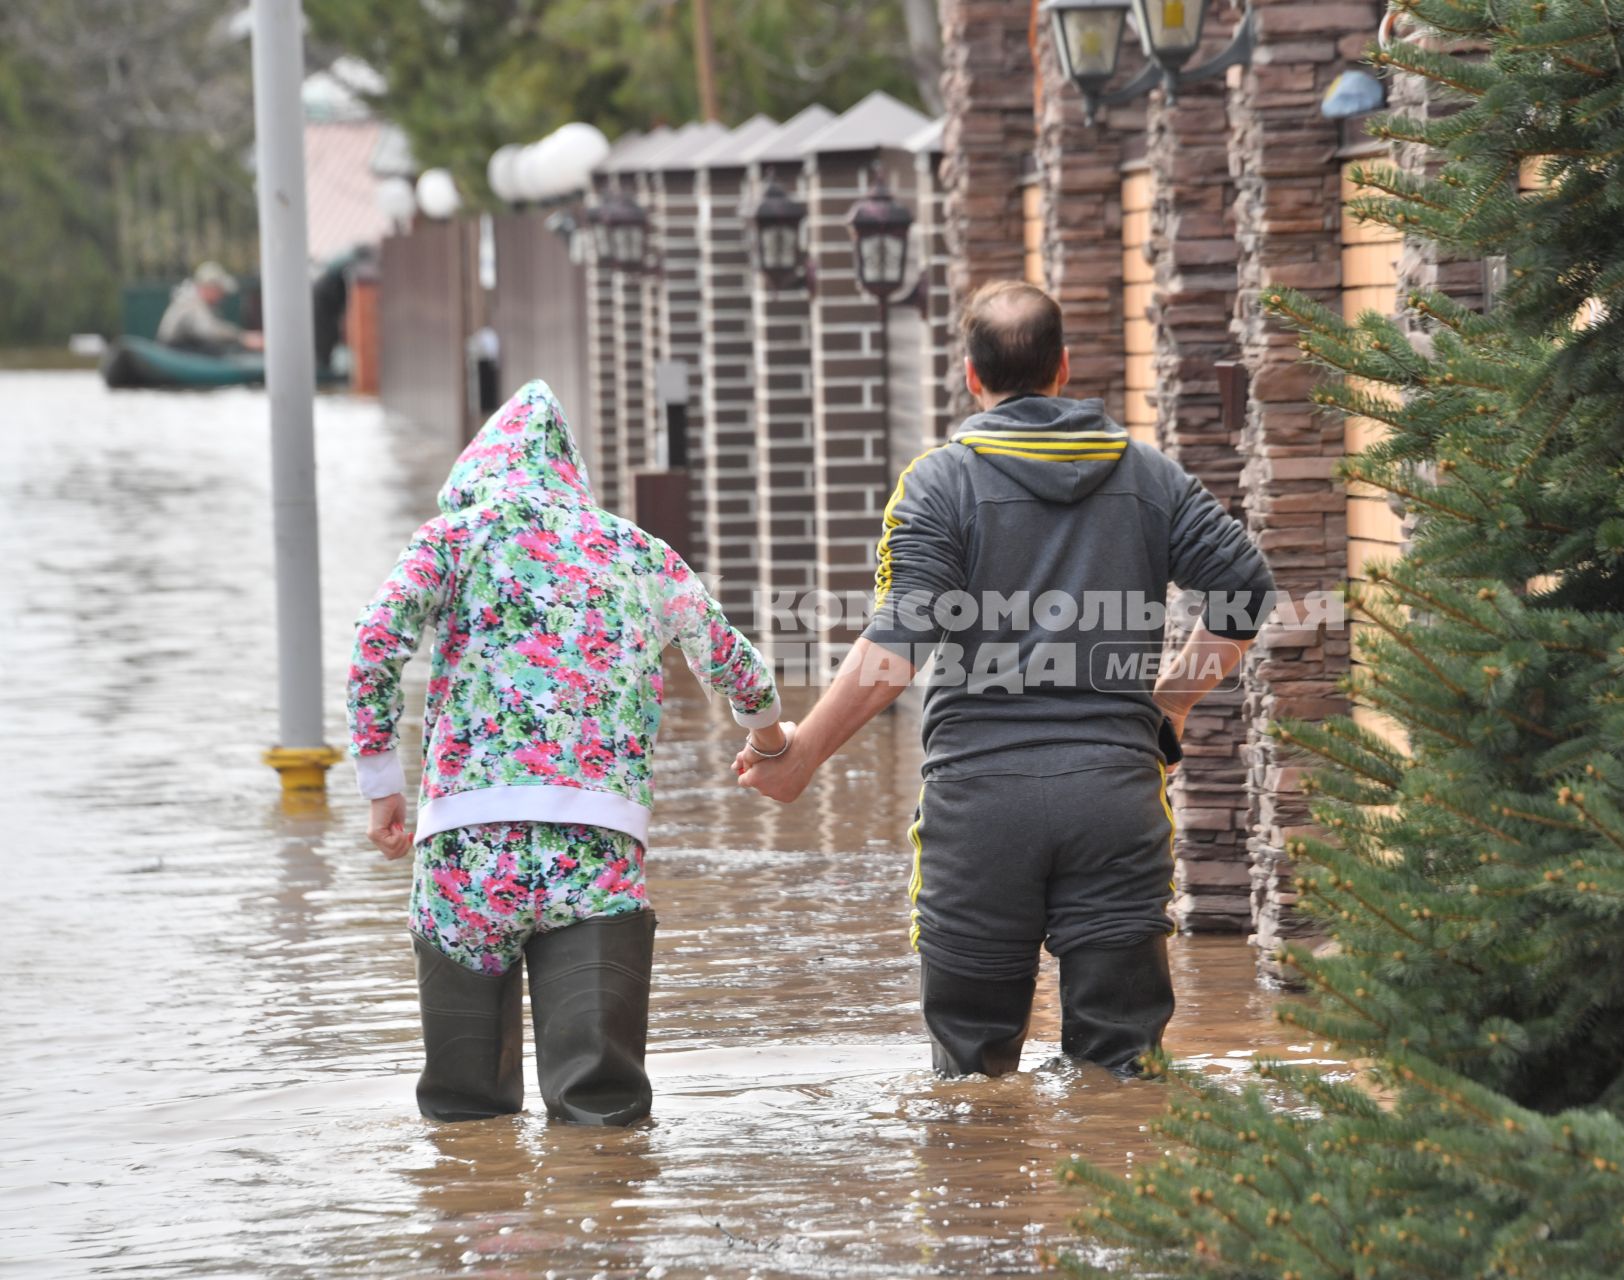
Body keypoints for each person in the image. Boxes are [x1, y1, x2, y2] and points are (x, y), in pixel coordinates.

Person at [736, 281, 1274, 1078]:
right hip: (1115, 800)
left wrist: (806, 752)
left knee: (969, 1082)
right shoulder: (1149, 477)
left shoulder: (939, 484)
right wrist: (1170, 701)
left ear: (969, 375)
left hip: (979, 811)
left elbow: (901, 637)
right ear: (1064, 369)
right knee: (1123, 1076)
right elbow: (1247, 590)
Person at [347, 379, 785, 1125]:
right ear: (568, 472)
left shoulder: (453, 539)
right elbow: (734, 663)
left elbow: (375, 645)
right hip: (597, 851)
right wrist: (770, 736)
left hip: (465, 855)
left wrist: (383, 785)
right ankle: (600, 1234)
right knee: (602, 1110)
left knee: (465, 1111)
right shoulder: (636, 550)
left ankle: (476, 1213)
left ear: (480, 469)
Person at [155, 261, 263, 355]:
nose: (222, 295)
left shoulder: (196, 300)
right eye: (220, 290)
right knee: (216, 350)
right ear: (209, 287)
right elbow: (209, 330)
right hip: (175, 351)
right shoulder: (190, 301)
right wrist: (243, 338)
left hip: (183, 348)